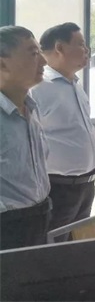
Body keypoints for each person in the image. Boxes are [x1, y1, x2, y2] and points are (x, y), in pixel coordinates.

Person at [30, 23, 95, 241]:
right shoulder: (38, 87)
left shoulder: (75, 84)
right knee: (54, 251)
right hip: (58, 189)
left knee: (78, 248)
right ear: (59, 47)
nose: (86, 50)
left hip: (86, 186)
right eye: (81, 44)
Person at [0, 26, 51, 250]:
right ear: (3, 64)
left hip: (40, 214)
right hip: (8, 225)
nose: (44, 61)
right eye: (33, 53)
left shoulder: (30, 107)